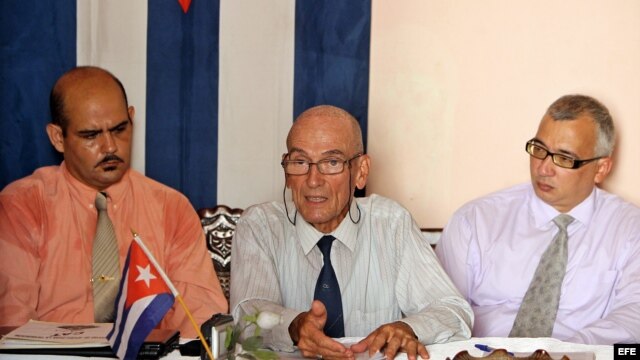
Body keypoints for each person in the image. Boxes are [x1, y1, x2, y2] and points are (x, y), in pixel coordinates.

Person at [230, 105, 472, 360]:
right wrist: (294, 326)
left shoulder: (391, 224)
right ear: (287, 173)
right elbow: (247, 315)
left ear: (361, 172)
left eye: (331, 162)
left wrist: (407, 328)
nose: (313, 180)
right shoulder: (260, 226)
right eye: (300, 162)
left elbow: (453, 311)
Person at [0, 66, 227, 337]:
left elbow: (200, 316)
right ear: (58, 137)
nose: (110, 147)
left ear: (132, 118)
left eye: (120, 129)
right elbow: (11, 324)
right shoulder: (23, 206)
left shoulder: (171, 208)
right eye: (91, 135)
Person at [436, 94, 640, 345]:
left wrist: (566, 353)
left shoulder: (630, 229)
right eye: (539, 149)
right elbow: (440, 309)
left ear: (600, 169)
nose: (543, 168)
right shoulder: (475, 220)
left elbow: (634, 314)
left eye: (564, 158)